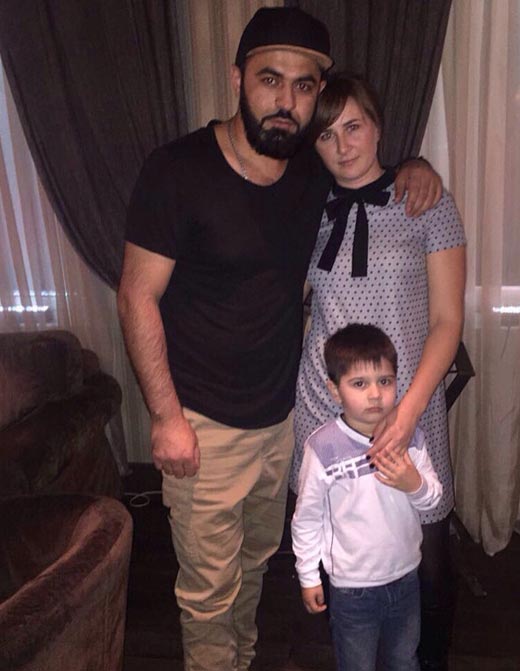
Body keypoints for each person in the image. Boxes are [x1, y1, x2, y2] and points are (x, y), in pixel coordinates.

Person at [117, 8, 442, 671]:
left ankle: (241, 658)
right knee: (208, 591)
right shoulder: (176, 170)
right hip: (203, 424)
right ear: (238, 78)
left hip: (281, 421)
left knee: (254, 566)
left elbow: (368, 175)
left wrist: (416, 164)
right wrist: (166, 417)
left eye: (304, 86)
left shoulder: (308, 173)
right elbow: (135, 295)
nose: (286, 101)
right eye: (271, 79)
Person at [290, 75, 466, 671]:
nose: (342, 146)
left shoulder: (426, 201)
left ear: (378, 126)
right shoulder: (307, 212)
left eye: (353, 127)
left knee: (428, 554)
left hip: (407, 405)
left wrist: (408, 412)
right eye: (326, 134)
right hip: (326, 409)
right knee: (341, 548)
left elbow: (447, 320)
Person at [292, 323, 443, 671]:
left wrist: (413, 483)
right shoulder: (324, 447)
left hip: (406, 575)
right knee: (356, 664)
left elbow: (432, 500)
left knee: (404, 660)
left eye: (385, 381)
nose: (375, 394)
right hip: (352, 588)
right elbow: (307, 518)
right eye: (359, 384)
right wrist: (308, 575)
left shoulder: (410, 438)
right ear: (335, 390)